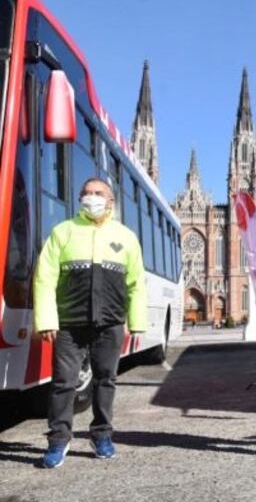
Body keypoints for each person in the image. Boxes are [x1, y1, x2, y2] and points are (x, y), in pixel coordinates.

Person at [33, 178, 146, 469]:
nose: (91, 197)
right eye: (86, 193)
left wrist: (137, 321)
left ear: (111, 202)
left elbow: (136, 284)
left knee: (105, 380)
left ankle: (102, 435)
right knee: (63, 382)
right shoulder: (63, 232)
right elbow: (45, 279)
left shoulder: (126, 236)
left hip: (109, 323)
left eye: (99, 194)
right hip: (70, 323)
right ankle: (59, 439)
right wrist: (46, 319)